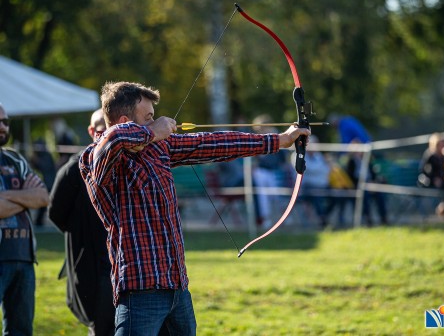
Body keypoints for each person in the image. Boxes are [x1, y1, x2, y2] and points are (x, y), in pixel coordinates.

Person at [78, 81, 311, 335]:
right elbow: (114, 139)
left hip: (177, 288)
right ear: (125, 120)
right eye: (148, 118)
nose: (157, 122)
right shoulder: (95, 159)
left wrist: (279, 140)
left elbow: (215, 143)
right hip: (140, 291)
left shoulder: (157, 148)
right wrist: (153, 131)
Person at [48, 109, 115, 335]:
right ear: (90, 131)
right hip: (94, 267)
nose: (107, 135)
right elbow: (56, 213)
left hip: (128, 267)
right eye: (101, 129)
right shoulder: (73, 170)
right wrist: (82, 234)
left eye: (112, 129)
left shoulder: (130, 162)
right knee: (101, 326)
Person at [0, 103, 49, 335]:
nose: (3, 126)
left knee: (21, 330)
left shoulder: (14, 160)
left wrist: (6, 196)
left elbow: (42, 197)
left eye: (5, 122)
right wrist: (23, 198)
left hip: (23, 258)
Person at [251, 114, 294, 228]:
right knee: (263, 197)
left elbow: (285, 154)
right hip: (261, 171)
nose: (259, 130)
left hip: (275, 170)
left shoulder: (276, 136)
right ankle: (266, 219)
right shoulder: (256, 138)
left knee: (279, 195)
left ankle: (285, 217)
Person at [417, 133, 444, 216]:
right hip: (428, 182)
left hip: (442, 181)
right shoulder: (430, 155)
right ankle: (442, 208)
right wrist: (433, 179)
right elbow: (423, 170)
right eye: (440, 143)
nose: (442, 145)